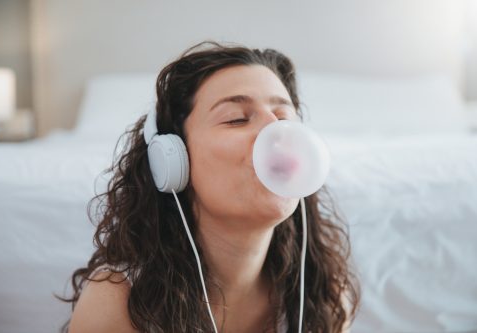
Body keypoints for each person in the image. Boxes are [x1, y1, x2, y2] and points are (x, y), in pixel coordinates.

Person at [61, 41, 360, 333]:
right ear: (172, 160)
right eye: (236, 119)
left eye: (284, 117)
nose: (276, 131)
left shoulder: (324, 296)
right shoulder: (119, 305)